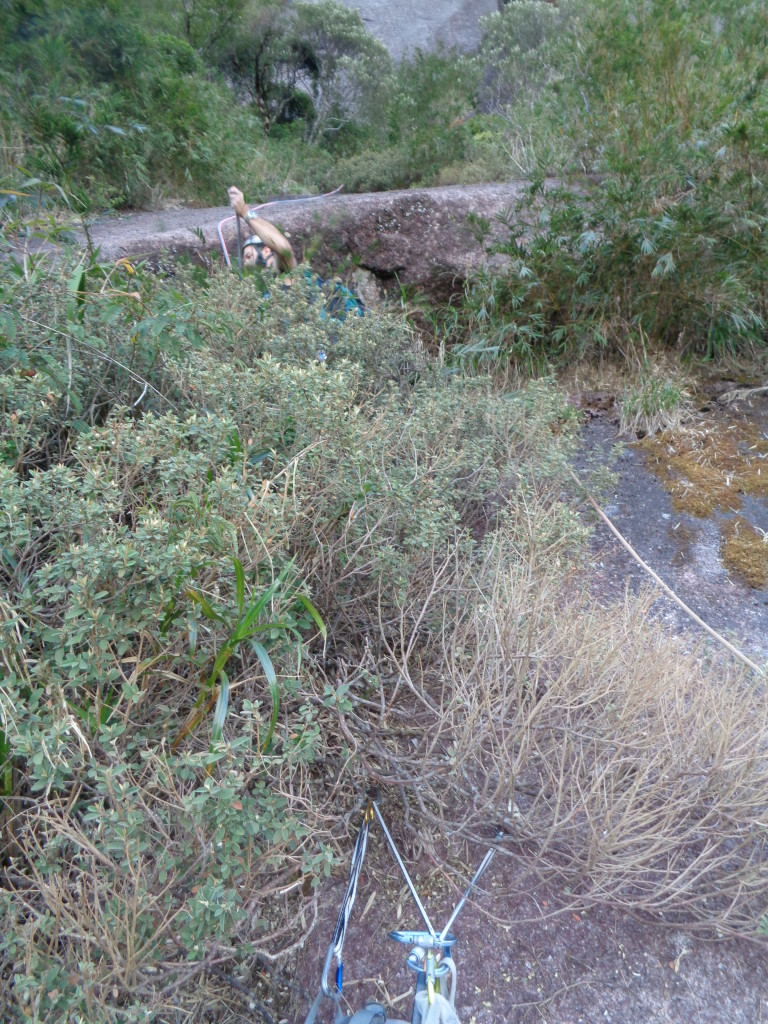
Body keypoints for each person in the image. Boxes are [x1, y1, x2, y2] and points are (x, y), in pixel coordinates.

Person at [227, 186, 297, 273]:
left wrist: (245, 212)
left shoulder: (281, 269)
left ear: (266, 251)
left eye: (249, 257)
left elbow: (284, 249)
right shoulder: (255, 283)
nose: (246, 265)